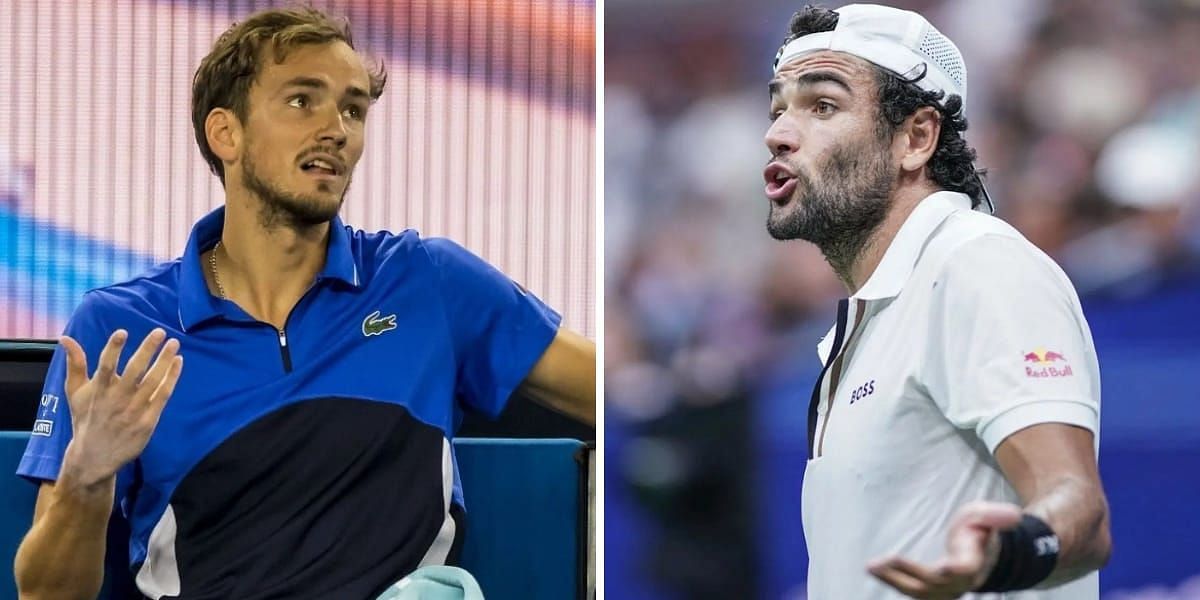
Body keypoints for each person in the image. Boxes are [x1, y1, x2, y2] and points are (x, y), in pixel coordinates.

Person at [13, 7, 595, 600]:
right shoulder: (118, 329)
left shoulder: (428, 282)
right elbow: (46, 595)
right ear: (226, 134)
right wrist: (85, 479)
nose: (337, 129)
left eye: (353, 109)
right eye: (302, 101)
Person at [764, 4, 1110, 598]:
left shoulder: (979, 266)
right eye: (778, 109)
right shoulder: (876, 314)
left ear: (916, 137)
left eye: (823, 106)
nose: (778, 133)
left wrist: (1007, 554)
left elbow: (1081, 512)